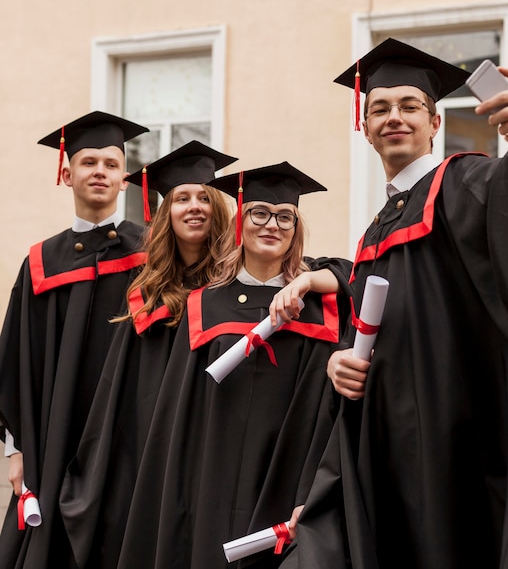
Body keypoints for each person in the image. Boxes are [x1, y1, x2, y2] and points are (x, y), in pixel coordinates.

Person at [277, 38, 508, 569]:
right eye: (380, 108)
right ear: (364, 128)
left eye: (410, 106)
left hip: (459, 432)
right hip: (389, 441)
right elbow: (366, 330)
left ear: (434, 123)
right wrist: (342, 359)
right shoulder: (374, 229)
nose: (394, 117)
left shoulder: (460, 180)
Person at [110, 161, 352, 569]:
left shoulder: (320, 307)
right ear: (241, 222)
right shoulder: (204, 303)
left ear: (296, 230)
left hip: (290, 473)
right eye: (259, 213)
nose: (271, 225)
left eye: (284, 217)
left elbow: (369, 275)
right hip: (213, 481)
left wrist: (307, 281)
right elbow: (179, 418)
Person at [58, 140, 238, 569]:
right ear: (165, 213)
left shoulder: (239, 283)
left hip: (219, 445)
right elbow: (118, 391)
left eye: (203, 198)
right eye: (181, 199)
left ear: (219, 208)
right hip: (156, 452)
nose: (193, 207)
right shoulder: (146, 295)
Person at [0, 111, 149, 568]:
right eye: (88, 162)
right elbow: (15, 359)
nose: (99, 171)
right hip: (55, 433)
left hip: (132, 431)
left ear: (125, 179)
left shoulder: (152, 253)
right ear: (67, 174)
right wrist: (17, 450)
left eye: (110, 163)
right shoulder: (42, 261)